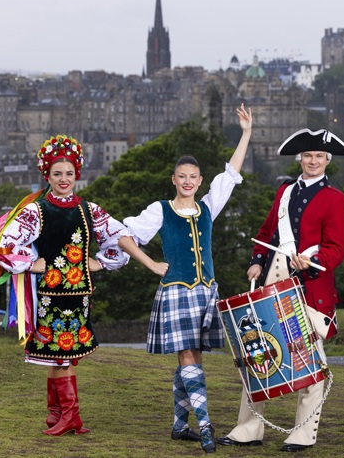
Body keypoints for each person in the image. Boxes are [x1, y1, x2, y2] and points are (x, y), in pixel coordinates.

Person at [0, 134, 167, 437]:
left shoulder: (90, 210)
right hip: (50, 294)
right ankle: (63, 415)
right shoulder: (36, 211)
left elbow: (120, 237)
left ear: (77, 175)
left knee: (62, 353)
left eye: (69, 173)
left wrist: (103, 263)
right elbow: (5, 244)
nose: (64, 179)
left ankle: (63, 415)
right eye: (57, 174)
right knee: (57, 353)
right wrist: (33, 264)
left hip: (78, 295)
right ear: (47, 176)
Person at [122, 104, 253, 453]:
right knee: (188, 357)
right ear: (174, 179)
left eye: (193, 176)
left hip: (206, 292)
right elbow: (124, 236)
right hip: (177, 293)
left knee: (192, 358)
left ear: (199, 180)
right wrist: (152, 264)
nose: (188, 181)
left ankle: (180, 426)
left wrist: (246, 134)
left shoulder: (208, 206)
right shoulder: (160, 210)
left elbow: (231, 173)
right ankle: (206, 425)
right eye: (182, 176)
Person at [217, 128, 344, 453]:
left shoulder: (336, 199)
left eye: (319, 156)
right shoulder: (285, 191)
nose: (313, 161)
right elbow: (267, 232)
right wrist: (256, 262)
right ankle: (248, 429)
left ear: (327, 161)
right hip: (272, 281)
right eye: (308, 156)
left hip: (309, 287)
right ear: (300, 159)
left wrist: (313, 261)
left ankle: (303, 433)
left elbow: (336, 248)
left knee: (310, 361)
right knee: (257, 353)